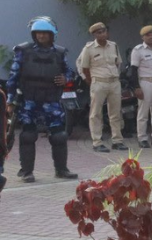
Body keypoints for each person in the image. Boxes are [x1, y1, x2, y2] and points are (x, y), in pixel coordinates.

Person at [6, 17, 79, 183]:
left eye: (45, 33)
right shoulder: (23, 51)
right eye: (38, 33)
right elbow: (13, 77)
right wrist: (10, 101)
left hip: (52, 100)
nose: (41, 36)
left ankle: (61, 170)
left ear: (52, 35)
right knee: (28, 136)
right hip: (29, 101)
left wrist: (65, 78)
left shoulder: (60, 53)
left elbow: (69, 73)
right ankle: (26, 172)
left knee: (59, 135)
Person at [77, 22, 126, 153]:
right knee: (96, 113)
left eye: (104, 31)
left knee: (115, 113)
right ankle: (97, 142)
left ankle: (117, 140)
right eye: (99, 32)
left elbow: (117, 63)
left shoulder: (113, 46)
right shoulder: (89, 48)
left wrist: (115, 76)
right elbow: (84, 67)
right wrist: (89, 81)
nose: (103, 34)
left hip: (114, 82)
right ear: (94, 35)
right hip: (98, 82)